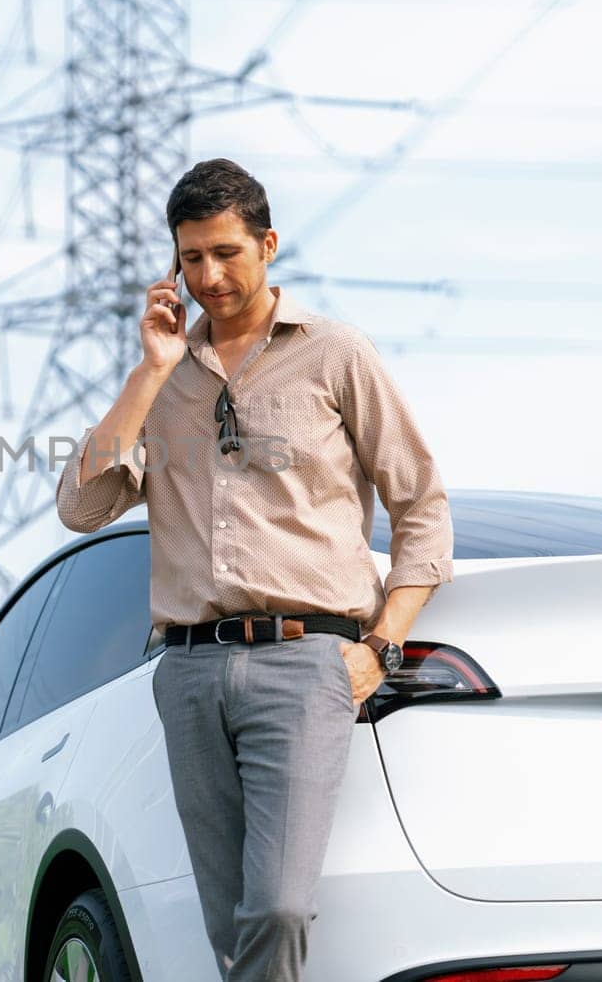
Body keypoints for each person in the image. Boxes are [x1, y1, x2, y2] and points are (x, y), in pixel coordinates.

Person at [54, 157, 455, 981]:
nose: (210, 276)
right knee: (228, 922)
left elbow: (422, 506)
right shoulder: (162, 385)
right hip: (191, 673)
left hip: (307, 663)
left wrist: (379, 647)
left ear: (268, 245)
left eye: (227, 252)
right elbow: (82, 507)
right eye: (191, 258)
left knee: (275, 904)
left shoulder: (336, 355)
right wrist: (151, 369)